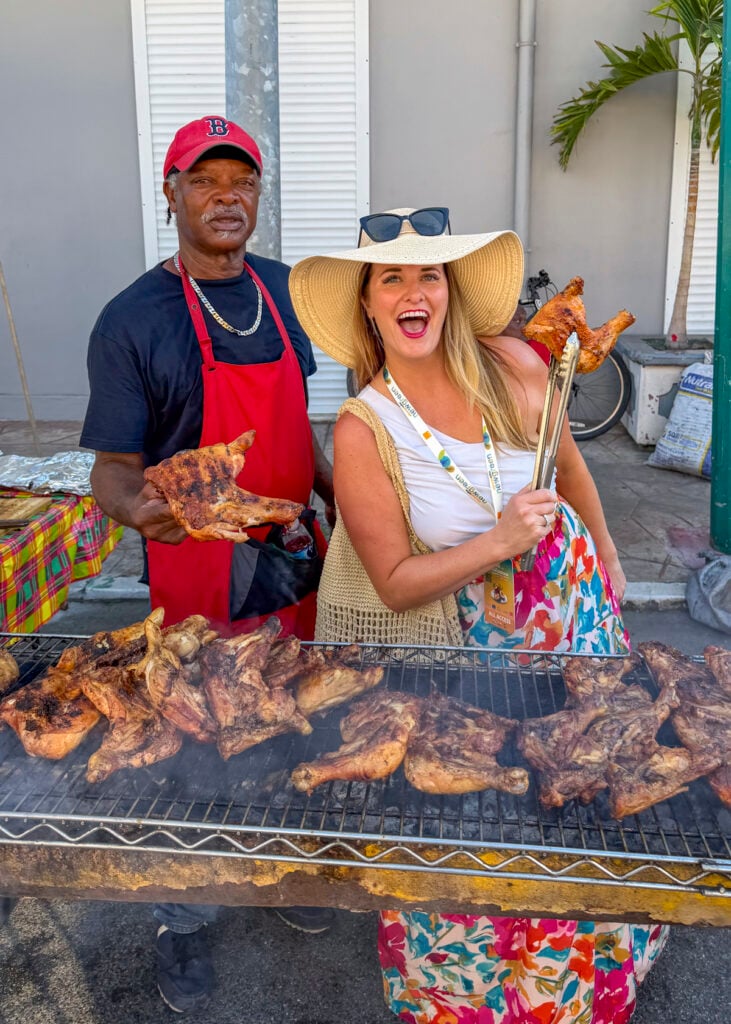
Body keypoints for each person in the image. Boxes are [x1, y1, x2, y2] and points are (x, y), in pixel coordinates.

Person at [288, 208, 667, 1023]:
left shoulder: (513, 363)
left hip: (581, 630)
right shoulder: (366, 428)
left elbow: (565, 464)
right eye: (391, 278)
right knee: (481, 823)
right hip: (469, 661)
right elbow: (392, 581)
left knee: (589, 809)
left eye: (429, 274)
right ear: (367, 304)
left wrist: (602, 549)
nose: (412, 291)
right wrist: (498, 541)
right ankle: (472, 999)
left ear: (452, 292)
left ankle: (579, 987)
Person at [80, 115, 336, 1014]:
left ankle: (286, 874)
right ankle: (184, 916)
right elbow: (111, 465)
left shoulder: (284, 290)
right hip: (197, 570)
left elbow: (294, 420)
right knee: (195, 742)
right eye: (205, 180)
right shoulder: (134, 319)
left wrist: (338, 496)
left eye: (243, 182)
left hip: (291, 549)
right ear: (172, 192)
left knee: (291, 711)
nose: (228, 197)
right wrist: (136, 510)